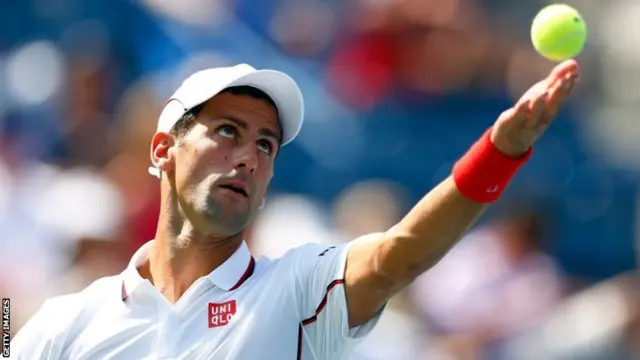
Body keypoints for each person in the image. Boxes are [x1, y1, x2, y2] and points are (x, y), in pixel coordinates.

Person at [10, 61, 579, 359]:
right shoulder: (67, 323)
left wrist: (499, 153)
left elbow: (399, 255)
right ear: (163, 150)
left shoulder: (300, 291)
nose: (248, 157)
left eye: (265, 144)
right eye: (227, 130)